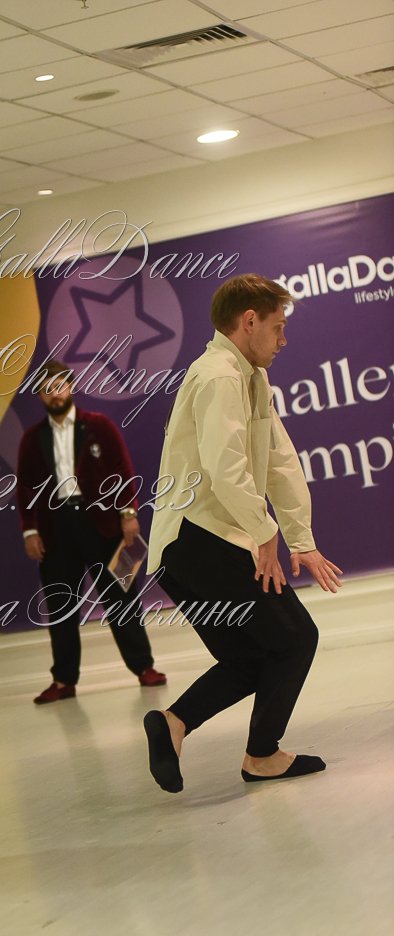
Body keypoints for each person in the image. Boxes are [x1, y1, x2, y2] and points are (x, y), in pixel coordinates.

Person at [143, 274, 342, 794]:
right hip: (200, 538)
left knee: (253, 656)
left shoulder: (250, 377)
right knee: (296, 639)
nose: (284, 339)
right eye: (277, 327)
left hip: (193, 546)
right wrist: (265, 531)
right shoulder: (217, 376)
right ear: (249, 321)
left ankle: (174, 722)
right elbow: (224, 465)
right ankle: (262, 755)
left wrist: (301, 538)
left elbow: (279, 460)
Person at [16, 360, 166, 705]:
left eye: (59, 385)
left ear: (71, 386)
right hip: (56, 529)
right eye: (46, 389)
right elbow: (25, 488)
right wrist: (29, 531)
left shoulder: (98, 426)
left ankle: (144, 667)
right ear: (39, 395)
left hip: (102, 523)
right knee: (61, 606)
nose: (55, 393)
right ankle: (63, 680)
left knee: (121, 598)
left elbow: (122, 469)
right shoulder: (32, 439)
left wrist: (128, 513)